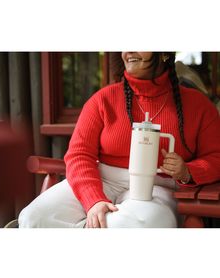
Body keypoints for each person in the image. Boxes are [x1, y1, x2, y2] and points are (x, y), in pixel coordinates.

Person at [18, 52, 220, 228]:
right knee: (33, 218)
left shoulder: (198, 105)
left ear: (164, 53)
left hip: (157, 187)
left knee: (148, 224)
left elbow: (216, 156)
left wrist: (188, 171)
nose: (128, 51)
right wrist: (94, 200)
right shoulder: (102, 99)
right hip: (102, 179)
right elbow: (79, 155)